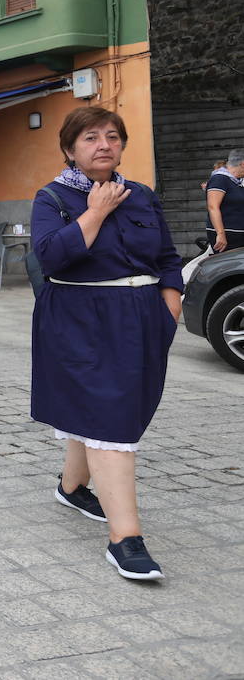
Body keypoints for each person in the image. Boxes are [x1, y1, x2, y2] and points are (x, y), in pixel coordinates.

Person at [30, 106, 182, 581]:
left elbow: (168, 258)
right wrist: (95, 213)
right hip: (79, 320)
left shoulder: (141, 196)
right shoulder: (52, 197)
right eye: (91, 137)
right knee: (111, 422)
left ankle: (73, 486)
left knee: (109, 410)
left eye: (112, 137)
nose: (103, 144)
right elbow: (51, 258)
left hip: (141, 318)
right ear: (70, 149)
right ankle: (126, 539)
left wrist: (169, 309)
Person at [205, 150, 244, 253]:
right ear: (243, 164)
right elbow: (213, 207)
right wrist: (220, 234)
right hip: (228, 238)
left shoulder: (237, 182)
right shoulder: (219, 179)